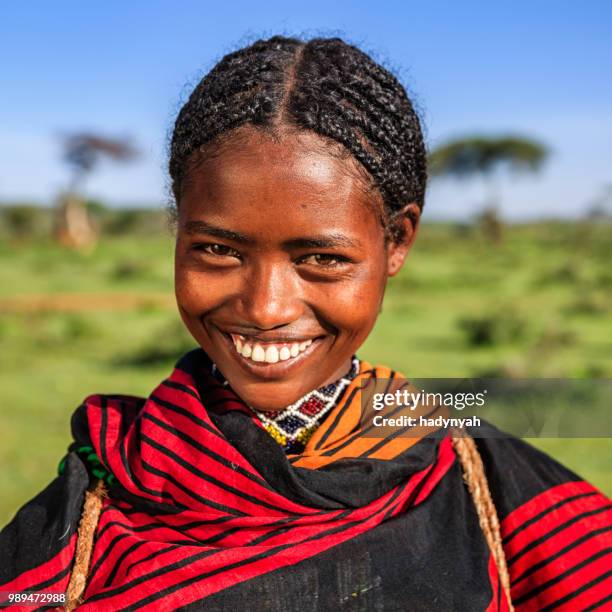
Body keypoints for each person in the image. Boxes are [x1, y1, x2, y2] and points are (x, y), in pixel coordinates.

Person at [1, 36, 610, 612]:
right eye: (219, 250)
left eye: (322, 258)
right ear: (177, 233)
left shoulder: (485, 479)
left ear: (397, 242)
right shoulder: (87, 515)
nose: (266, 309)